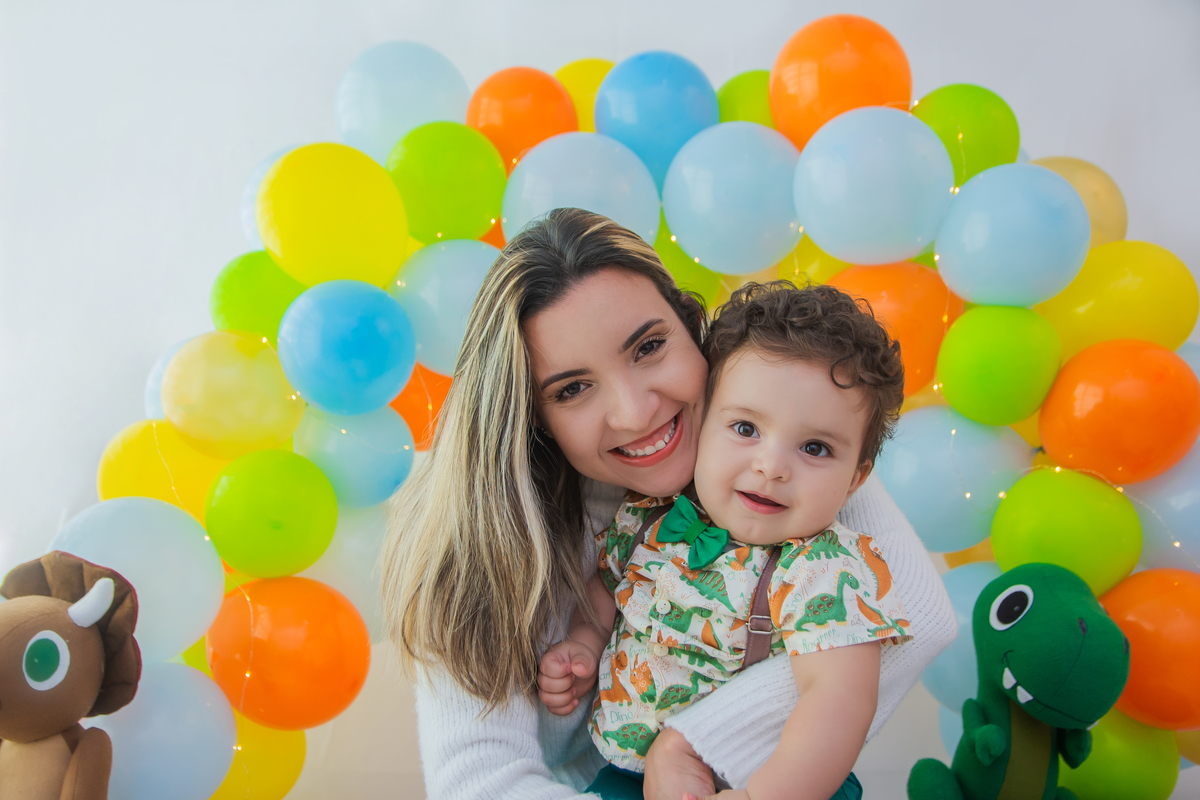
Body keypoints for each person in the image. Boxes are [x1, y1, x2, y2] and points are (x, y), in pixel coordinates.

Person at [381, 209, 955, 800]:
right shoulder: (479, 539)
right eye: (572, 389)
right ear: (532, 415)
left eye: (649, 347)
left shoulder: (777, 419)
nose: (635, 413)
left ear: (694, 330)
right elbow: (479, 783)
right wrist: (584, 651)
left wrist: (689, 744)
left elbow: (919, 620)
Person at [540, 282, 910, 800]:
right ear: (703, 419)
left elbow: (838, 701)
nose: (771, 466)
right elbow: (606, 590)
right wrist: (583, 643)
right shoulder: (652, 516)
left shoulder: (824, 567)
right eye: (745, 428)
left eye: (814, 447)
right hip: (625, 771)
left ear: (856, 478)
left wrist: (765, 794)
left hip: (768, 778)